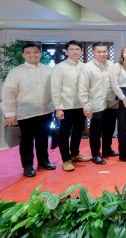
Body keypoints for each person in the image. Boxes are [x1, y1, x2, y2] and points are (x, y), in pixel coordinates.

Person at [1, 42, 56, 177]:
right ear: (23, 55)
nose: (32, 55)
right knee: (26, 141)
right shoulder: (16, 72)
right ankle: (27, 165)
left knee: (43, 138)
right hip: (25, 113)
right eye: (28, 52)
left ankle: (43, 161)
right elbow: (8, 94)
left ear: (40, 53)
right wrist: (9, 113)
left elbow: (55, 90)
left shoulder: (49, 70)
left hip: (45, 111)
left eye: (35, 52)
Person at [51, 40, 91, 172]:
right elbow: (55, 89)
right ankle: (66, 159)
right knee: (64, 133)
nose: (74, 51)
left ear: (81, 51)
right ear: (66, 51)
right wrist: (58, 107)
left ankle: (75, 154)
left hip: (81, 106)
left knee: (78, 132)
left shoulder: (85, 66)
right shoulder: (59, 67)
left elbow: (88, 88)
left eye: (77, 49)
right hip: (65, 106)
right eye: (71, 49)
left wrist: (87, 105)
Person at [79, 42, 118, 165]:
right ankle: (96, 154)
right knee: (95, 131)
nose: (102, 54)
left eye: (104, 51)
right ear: (94, 53)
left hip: (111, 103)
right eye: (99, 52)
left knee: (109, 128)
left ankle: (107, 150)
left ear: (107, 52)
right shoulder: (87, 67)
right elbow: (83, 88)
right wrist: (85, 106)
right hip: (95, 104)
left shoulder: (111, 65)